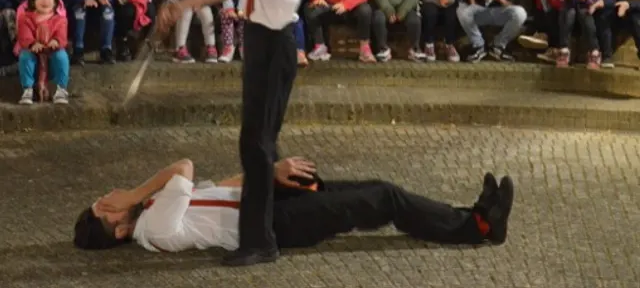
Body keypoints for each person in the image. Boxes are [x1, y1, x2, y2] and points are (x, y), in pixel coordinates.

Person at [144, 0, 307, 266]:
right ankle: (260, 234)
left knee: (257, 144)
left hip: (272, 43)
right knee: (254, 144)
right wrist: (187, 4)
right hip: (261, 39)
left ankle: (261, 240)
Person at [73, 157, 515, 254]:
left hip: (267, 202)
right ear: (115, 231)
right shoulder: (155, 230)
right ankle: (478, 226)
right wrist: (132, 194)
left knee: (381, 189)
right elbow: (184, 167)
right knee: (381, 200)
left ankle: (468, 215)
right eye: (106, 208)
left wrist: (274, 170)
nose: (113, 199)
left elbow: (223, 186)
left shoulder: (153, 209)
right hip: (275, 225)